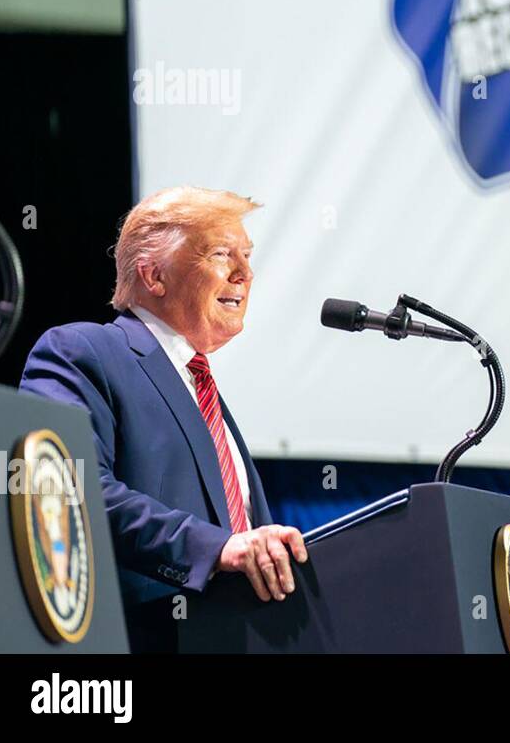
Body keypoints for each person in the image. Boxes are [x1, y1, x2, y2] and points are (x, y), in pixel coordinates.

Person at [19, 186, 307, 651]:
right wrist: (214, 549)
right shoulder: (84, 352)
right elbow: (68, 493)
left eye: (248, 256)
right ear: (153, 275)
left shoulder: (201, 388)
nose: (245, 273)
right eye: (221, 253)